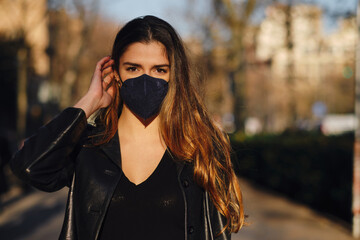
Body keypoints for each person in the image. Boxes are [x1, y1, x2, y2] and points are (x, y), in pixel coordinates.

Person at [10, 15, 245, 240]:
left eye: (159, 70)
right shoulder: (88, 146)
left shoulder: (200, 149)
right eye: (133, 68)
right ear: (116, 73)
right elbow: (29, 166)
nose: (145, 80)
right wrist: (89, 102)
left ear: (175, 75)